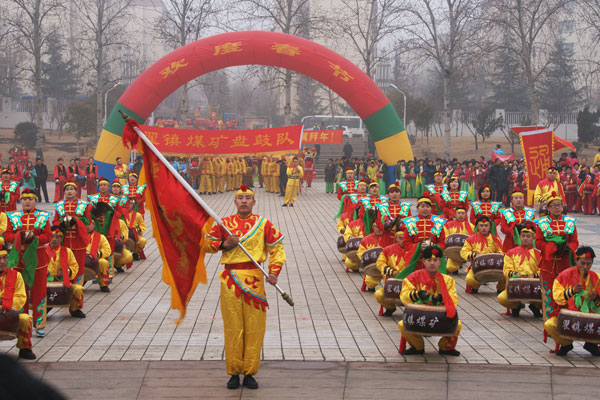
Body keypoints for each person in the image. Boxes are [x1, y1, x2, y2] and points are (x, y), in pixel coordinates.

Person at [203, 185, 286, 389]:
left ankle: (249, 372)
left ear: (254, 202)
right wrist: (225, 244)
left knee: (254, 327)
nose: (244, 201)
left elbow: (277, 248)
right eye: (240, 198)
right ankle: (234, 372)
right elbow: (206, 244)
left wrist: (274, 272)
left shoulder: (263, 223)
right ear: (235, 202)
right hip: (230, 280)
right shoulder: (224, 224)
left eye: (248, 198)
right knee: (233, 327)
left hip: (255, 280)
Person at [4, 188, 52, 337]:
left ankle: (39, 323)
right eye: (24, 199)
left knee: (39, 292)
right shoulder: (13, 216)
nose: (27, 201)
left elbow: (48, 236)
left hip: (38, 260)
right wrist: (20, 236)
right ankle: (22, 322)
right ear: (21, 201)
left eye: (30, 199)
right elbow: (7, 234)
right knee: (21, 292)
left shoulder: (43, 216)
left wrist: (34, 239)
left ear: (36, 201)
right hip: (19, 260)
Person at [398, 245, 461, 356]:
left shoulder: (448, 280)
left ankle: (446, 347)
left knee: (458, 324)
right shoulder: (413, 277)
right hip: (420, 315)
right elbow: (404, 296)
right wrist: (418, 294)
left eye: (435, 260)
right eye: (429, 260)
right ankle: (417, 347)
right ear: (424, 261)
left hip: (440, 317)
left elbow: (454, 298)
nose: (432, 263)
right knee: (403, 324)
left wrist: (441, 297)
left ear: (440, 262)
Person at [544, 246, 600, 357]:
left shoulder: (596, 277)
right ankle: (566, 344)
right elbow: (557, 297)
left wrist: (596, 298)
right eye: (582, 263)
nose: (585, 267)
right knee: (549, 325)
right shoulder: (564, 275)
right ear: (576, 261)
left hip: (590, 317)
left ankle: (592, 343)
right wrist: (572, 291)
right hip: (569, 316)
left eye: (588, 264)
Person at [535, 192, 578, 322]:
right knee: (549, 293)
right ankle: (550, 322)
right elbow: (537, 242)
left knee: (566, 292)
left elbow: (575, 242)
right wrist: (550, 247)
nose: (557, 208)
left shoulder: (569, 222)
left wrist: (568, 248)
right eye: (553, 205)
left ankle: (565, 320)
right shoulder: (542, 223)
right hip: (548, 265)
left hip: (565, 264)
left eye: (559, 205)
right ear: (548, 208)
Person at [497, 222, 542, 317]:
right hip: (516, 285)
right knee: (502, 298)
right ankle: (516, 306)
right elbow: (507, 270)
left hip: (534, 286)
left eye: (528, 236)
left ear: (533, 238)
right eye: (523, 236)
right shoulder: (511, 253)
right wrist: (516, 275)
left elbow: (542, 270)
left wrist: (534, 275)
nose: (525, 238)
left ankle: (535, 306)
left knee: (547, 295)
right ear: (520, 237)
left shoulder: (539, 254)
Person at [52, 181, 93, 285]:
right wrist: (62, 221)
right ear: (64, 192)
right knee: (64, 263)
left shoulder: (83, 204)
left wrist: (75, 220)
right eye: (67, 189)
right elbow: (55, 221)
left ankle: (78, 287)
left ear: (76, 191)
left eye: (71, 189)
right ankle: (67, 285)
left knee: (79, 264)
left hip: (78, 240)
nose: (69, 191)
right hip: (64, 240)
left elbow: (88, 220)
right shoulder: (59, 205)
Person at [0, 245, 35, 359]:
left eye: (5, 258)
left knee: (25, 319)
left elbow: (21, 297)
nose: (2, 262)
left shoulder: (16, 275)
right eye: (0, 258)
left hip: (9, 310)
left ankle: (25, 348)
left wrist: (5, 303)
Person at [46, 226, 86, 318]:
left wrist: (66, 271)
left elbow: (74, 266)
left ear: (61, 239)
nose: (54, 239)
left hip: (63, 281)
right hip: (45, 282)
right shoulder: (42, 251)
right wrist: (43, 271)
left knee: (78, 289)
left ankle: (75, 309)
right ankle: (45, 308)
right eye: (52, 236)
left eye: (57, 237)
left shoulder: (67, 251)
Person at [461, 216, 504, 294]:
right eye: (481, 225)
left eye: (486, 226)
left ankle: (501, 289)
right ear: (478, 226)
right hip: (477, 266)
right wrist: (474, 255)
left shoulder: (495, 239)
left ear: (490, 227)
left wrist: (497, 255)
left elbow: (501, 251)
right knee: (469, 279)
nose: (484, 228)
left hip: (493, 266)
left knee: (506, 274)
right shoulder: (471, 239)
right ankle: (475, 287)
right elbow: (464, 252)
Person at [374, 231, 406, 316]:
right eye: (400, 238)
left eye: (405, 238)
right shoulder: (388, 249)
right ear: (396, 238)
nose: (403, 241)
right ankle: (390, 308)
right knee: (379, 294)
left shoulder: (414, 250)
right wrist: (391, 272)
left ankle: (411, 311)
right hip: (393, 283)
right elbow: (379, 263)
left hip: (409, 285)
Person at [499, 188, 536, 252]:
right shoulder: (506, 212)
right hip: (511, 242)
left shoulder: (529, 212)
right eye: (516, 198)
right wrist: (512, 228)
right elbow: (503, 228)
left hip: (527, 241)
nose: (518, 200)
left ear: (523, 200)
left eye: (521, 198)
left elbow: (534, 227)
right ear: (512, 200)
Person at [442, 206, 474, 274]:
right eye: (459, 213)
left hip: (465, 249)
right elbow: (445, 236)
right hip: (453, 250)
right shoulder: (448, 225)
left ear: (465, 215)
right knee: (450, 267)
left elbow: (473, 238)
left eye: (463, 213)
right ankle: (456, 265)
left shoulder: (471, 226)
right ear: (455, 214)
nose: (461, 215)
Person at [85, 223, 111, 292]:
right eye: (85, 224)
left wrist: (96, 254)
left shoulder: (100, 237)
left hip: (95, 259)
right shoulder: (78, 236)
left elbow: (107, 250)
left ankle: (103, 285)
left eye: (89, 224)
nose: (87, 227)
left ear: (93, 225)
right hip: (82, 259)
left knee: (103, 262)